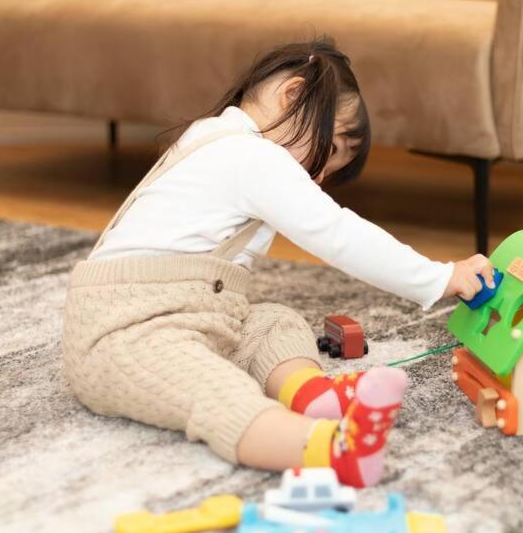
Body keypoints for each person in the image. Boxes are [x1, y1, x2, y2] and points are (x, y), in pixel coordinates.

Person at [63, 38, 494, 487]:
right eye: (327, 154)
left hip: (193, 316)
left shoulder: (217, 138)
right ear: (292, 97)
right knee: (216, 392)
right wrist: (440, 276)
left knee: (275, 323)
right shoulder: (250, 156)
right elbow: (339, 234)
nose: (320, 179)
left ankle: (313, 395)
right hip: (123, 333)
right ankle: (328, 447)